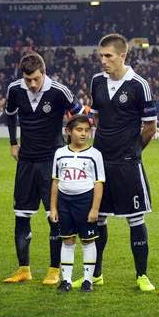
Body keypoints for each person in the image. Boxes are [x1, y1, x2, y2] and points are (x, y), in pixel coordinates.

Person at [2, 52, 82, 286]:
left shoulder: (59, 91)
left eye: (36, 79)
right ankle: (23, 269)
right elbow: (10, 116)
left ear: (43, 73)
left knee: (54, 216)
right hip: (26, 161)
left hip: (52, 162)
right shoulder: (15, 90)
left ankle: (54, 269)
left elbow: (79, 116)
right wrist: (13, 143)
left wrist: (70, 145)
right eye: (28, 80)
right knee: (22, 216)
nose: (32, 84)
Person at [89, 33, 157, 292]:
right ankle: (95, 274)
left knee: (135, 219)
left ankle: (142, 275)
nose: (103, 61)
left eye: (108, 56)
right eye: (101, 56)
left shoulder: (139, 85)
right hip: (101, 162)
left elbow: (150, 127)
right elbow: (95, 119)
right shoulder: (96, 81)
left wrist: (134, 149)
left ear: (122, 56)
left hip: (128, 163)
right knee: (98, 219)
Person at [49, 115, 105, 293]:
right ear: (68, 131)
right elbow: (56, 182)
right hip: (64, 202)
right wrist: (53, 207)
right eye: (79, 130)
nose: (83, 134)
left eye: (87, 130)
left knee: (88, 241)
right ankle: (66, 280)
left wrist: (95, 208)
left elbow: (98, 183)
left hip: (85, 201)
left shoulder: (94, 155)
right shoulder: (60, 153)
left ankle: (87, 280)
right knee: (67, 240)